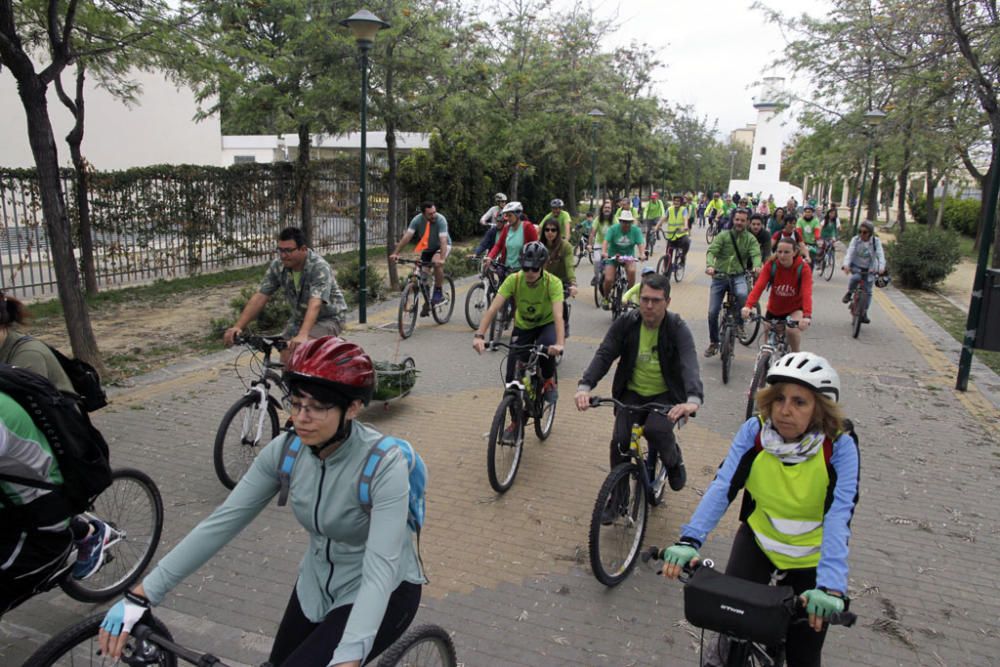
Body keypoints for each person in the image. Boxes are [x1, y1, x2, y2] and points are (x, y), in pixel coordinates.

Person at [98, 337, 426, 665]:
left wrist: (351, 656)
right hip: (316, 585)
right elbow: (222, 522)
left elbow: (380, 568)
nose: (301, 417)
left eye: (317, 407)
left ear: (352, 408)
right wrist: (144, 593)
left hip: (383, 591)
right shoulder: (287, 451)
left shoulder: (384, 465)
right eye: (296, 403)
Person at [660, 352, 859, 667]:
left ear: (820, 408)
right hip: (759, 542)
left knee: (804, 654)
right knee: (730, 629)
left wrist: (831, 586)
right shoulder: (755, 432)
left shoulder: (839, 446)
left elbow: (839, 515)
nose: (785, 410)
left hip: (811, 558)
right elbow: (724, 486)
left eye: (799, 402)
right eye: (779, 398)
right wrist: (689, 540)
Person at [0, 292, 109, 586]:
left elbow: (25, 418)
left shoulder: (26, 354)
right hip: (25, 435)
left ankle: (86, 530)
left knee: (41, 487)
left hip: (59, 427)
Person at [575, 272, 702, 497]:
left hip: (665, 396)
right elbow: (605, 353)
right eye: (645, 299)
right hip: (631, 394)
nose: (649, 306)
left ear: (667, 302)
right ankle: (618, 498)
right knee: (620, 443)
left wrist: (692, 400)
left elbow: (689, 362)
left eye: (656, 300)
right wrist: (585, 385)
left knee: (656, 430)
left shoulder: (676, 327)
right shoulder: (627, 322)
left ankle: (674, 461)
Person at [225, 227, 347, 360]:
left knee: (298, 352)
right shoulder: (278, 266)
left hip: (328, 318)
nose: (283, 255)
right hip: (299, 318)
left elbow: (315, 303)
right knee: (285, 356)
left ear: (303, 249)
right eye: (280, 250)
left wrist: (303, 334)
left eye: (288, 250)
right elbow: (261, 296)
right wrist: (238, 327)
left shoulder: (318, 267)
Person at [473, 242, 564, 404]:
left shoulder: (553, 283)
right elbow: (493, 308)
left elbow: (558, 316)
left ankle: (549, 381)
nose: (530, 272)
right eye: (526, 267)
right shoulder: (513, 280)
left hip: (546, 324)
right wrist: (479, 335)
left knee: (547, 348)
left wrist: (560, 344)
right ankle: (515, 422)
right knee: (511, 380)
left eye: (535, 268)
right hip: (523, 326)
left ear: (543, 266)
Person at [704, 208, 762, 357]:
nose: (739, 223)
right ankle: (713, 342)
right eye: (737, 219)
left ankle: (740, 324)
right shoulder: (723, 235)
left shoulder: (750, 239)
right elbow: (712, 251)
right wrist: (710, 265)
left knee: (743, 294)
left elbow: (755, 254)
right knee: (712, 312)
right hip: (720, 276)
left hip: (738, 276)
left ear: (747, 222)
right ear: (733, 220)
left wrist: (757, 266)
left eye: (743, 220)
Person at [742, 237, 813, 352]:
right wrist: (748, 306)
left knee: (792, 331)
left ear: (794, 252)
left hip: (794, 309)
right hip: (775, 309)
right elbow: (759, 286)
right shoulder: (771, 265)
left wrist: (806, 316)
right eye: (779, 252)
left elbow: (807, 292)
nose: (782, 255)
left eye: (786, 252)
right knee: (767, 344)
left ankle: (795, 356)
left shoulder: (803, 268)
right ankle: (764, 364)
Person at [390, 202, 453, 309]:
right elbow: (407, 237)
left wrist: (442, 259)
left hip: (442, 246)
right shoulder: (417, 220)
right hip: (428, 248)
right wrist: (396, 253)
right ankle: (428, 302)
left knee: (436, 262)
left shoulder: (441, 220)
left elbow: (443, 240)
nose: (434, 215)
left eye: (434, 212)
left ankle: (438, 291)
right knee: (421, 273)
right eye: (430, 214)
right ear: (423, 214)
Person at [841, 221, 886, 324]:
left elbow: (880, 255)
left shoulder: (876, 241)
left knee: (868, 291)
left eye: (865, 232)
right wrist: (846, 265)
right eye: (860, 231)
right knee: (855, 278)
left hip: (870, 268)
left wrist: (881, 267)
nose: (862, 234)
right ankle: (850, 292)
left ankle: (864, 312)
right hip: (857, 266)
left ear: (870, 233)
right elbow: (850, 253)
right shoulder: (855, 240)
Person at [601, 210, 646, 307]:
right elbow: (606, 241)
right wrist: (604, 252)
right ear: (620, 221)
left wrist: (642, 254)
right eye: (624, 222)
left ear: (631, 222)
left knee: (632, 271)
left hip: (628, 257)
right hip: (613, 256)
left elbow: (640, 243)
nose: (626, 224)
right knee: (608, 279)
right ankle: (606, 297)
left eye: (628, 222)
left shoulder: (636, 230)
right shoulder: (613, 229)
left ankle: (629, 295)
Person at [541, 219, 577, 337]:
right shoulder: (539, 245)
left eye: (553, 230)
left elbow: (569, 266)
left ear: (558, 231)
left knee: (560, 301)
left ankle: (564, 325)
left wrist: (573, 283)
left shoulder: (565, 246)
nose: (550, 232)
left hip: (562, 282)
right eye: (547, 230)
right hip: (543, 281)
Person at [485, 201, 538, 273]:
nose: (507, 218)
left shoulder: (527, 227)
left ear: (517, 215)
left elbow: (536, 247)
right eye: (506, 216)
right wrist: (490, 256)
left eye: (510, 216)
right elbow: (498, 245)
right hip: (507, 269)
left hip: (522, 270)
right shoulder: (506, 228)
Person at [656, 194, 691, 268]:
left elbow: (685, 219)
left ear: (681, 202)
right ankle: (666, 269)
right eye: (675, 200)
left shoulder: (683, 209)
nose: (676, 202)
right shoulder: (669, 209)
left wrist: (685, 227)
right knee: (668, 253)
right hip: (671, 235)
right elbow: (664, 218)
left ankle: (682, 259)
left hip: (681, 234)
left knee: (686, 242)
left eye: (678, 201)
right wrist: (657, 226)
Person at [590, 201, 616, 287]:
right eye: (605, 208)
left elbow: (617, 232)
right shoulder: (598, 219)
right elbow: (592, 233)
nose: (607, 209)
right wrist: (590, 245)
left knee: (611, 263)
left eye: (609, 208)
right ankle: (597, 276)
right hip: (599, 243)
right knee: (597, 261)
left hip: (611, 245)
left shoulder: (614, 219)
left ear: (611, 210)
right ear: (602, 209)